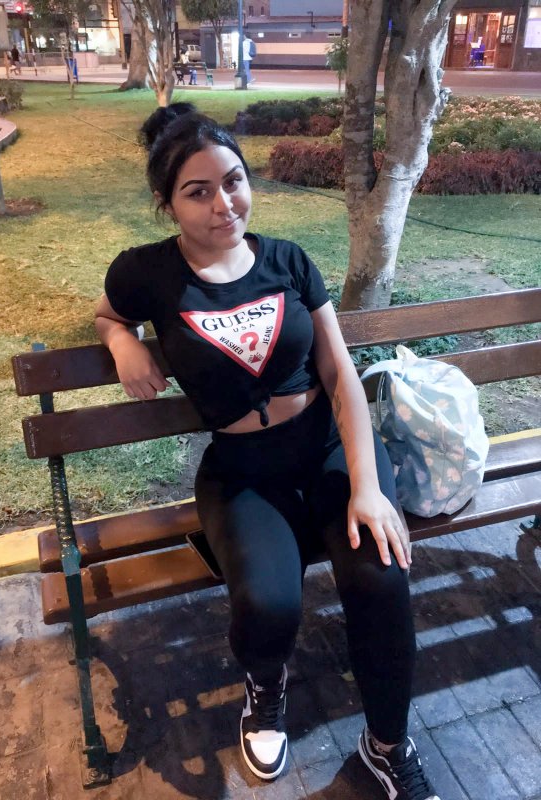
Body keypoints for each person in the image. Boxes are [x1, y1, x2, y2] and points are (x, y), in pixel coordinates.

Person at [94, 103, 441, 800]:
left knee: (381, 576)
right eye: (198, 192)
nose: (223, 204)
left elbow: (339, 375)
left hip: (327, 451)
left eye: (233, 182)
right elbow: (108, 312)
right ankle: (265, 686)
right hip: (243, 473)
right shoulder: (148, 273)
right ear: (166, 203)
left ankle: (386, 746)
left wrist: (368, 487)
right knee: (268, 603)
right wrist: (121, 339)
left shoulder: (287, 260)